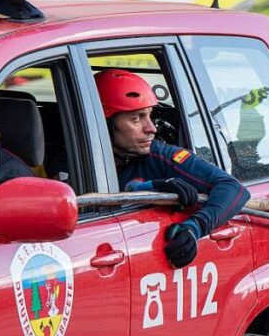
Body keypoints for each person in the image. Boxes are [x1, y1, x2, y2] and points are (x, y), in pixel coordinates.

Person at [94, 68, 250, 269]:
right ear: (104, 124)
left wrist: (195, 227)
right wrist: (146, 188)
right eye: (136, 118)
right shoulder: (65, 161)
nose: (151, 128)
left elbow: (233, 188)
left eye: (149, 116)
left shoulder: (159, 154)